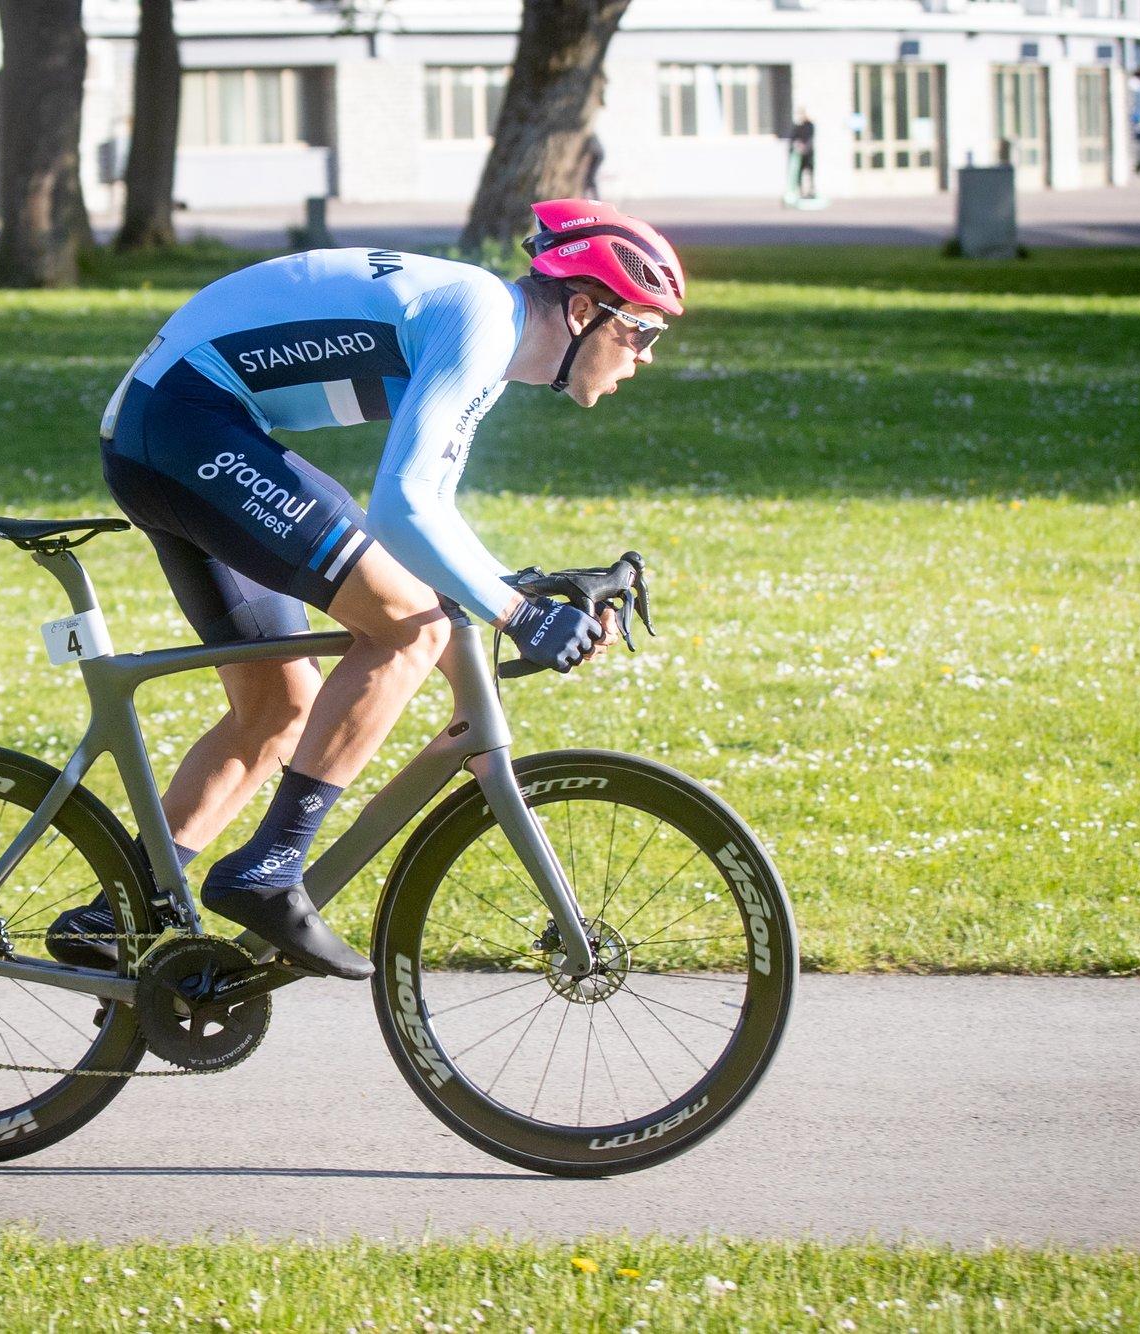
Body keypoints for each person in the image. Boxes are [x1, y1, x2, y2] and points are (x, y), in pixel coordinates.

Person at [47, 200, 686, 981]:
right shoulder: (483, 320)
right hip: (185, 428)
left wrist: (513, 592)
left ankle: (117, 914)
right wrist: (517, 613)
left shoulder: (485, 335)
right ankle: (271, 868)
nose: (647, 356)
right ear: (584, 309)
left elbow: (424, 523)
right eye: (642, 330)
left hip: (178, 430)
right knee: (407, 630)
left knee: (280, 703)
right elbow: (403, 508)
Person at [788, 109, 817, 200]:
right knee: (799, 173)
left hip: (808, 154)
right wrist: (797, 145)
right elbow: (793, 138)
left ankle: (811, 191)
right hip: (800, 155)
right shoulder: (797, 126)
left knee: (810, 173)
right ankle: (800, 191)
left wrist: (805, 147)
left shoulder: (809, 125)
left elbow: (810, 138)